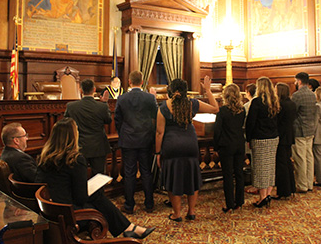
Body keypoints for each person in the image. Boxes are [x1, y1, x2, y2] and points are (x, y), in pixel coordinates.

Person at [36, 118, 155, 240]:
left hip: (50, 209)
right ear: (73, 136)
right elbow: (80, 198)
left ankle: (129, 228)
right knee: (97, 196)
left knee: (97, 196)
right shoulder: (74, 159)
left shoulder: (44, 158)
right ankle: (129, 228)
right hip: (68, 213)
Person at [155, 76, 219, 222]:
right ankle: (191, 212)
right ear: (186, 91)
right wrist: (208, 90)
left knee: (173, 179)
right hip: (190, 145)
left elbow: (159, 133)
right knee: (191, 177)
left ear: (170, 91)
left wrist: (157, 152)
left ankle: (177, 214)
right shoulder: (193, 104)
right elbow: (215, 108)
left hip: (171, 146)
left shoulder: (164, 107)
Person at [115, 70, 158, 214]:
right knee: (146, 172)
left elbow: (117, 120)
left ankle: (129, 205)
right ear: (142, 82)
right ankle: (149, 204)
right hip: (146, 139)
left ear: (129, 82)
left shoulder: (122, 99)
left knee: (129, 173)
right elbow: (156, 117)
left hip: (128, 140)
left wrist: (124, 133)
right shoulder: (149, 98)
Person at [64, 79, 112, 176]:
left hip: (79, 146)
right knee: (99, 178)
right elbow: (108, 121)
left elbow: (66, 122)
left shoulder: (71, 106)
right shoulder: (101, 106)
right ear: (94, 90)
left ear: (81, 90)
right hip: (98, 146)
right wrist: (104, 103)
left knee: (80, 177)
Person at [245, 77, 279, 208]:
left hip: (260, 138)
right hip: (273, 137)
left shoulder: (257, 102)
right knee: (270, 167)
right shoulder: (274, 101)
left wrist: (248, 138)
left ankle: (262, 197)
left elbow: (251, 122)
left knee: (260, 168)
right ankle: (268, 194)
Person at [214, 83, 246, 212]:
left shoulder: (222, 111)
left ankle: (230, 203)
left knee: (227, 175)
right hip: (239, 144)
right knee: (239, 173)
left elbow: (217, 131)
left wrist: (216, 147)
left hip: (226, 145)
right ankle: (240, 201)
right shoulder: (242, 110)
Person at [291, 72, 317, 193]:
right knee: (309, 157)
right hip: (310, 129)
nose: (295, 83)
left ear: (299, 81)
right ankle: (309, 183)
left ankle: (302, 185)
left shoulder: (297, 95)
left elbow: (292, 112)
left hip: (300, 130)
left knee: (300, 159)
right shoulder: (312, 95)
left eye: (295, 81)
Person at [274, 82, 296, 199]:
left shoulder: (281, 105)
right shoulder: (291, 103)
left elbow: (277, 122)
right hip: (289, 135)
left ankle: (283, 191)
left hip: (281, 137)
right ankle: (291, 188)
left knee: (281, 164)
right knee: (287, 162)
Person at [243, 83, 258, 195]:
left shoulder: (248, 105)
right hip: (259, 135)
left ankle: (255, 184)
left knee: (254, 162)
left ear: (248, 93)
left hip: (251, 137)